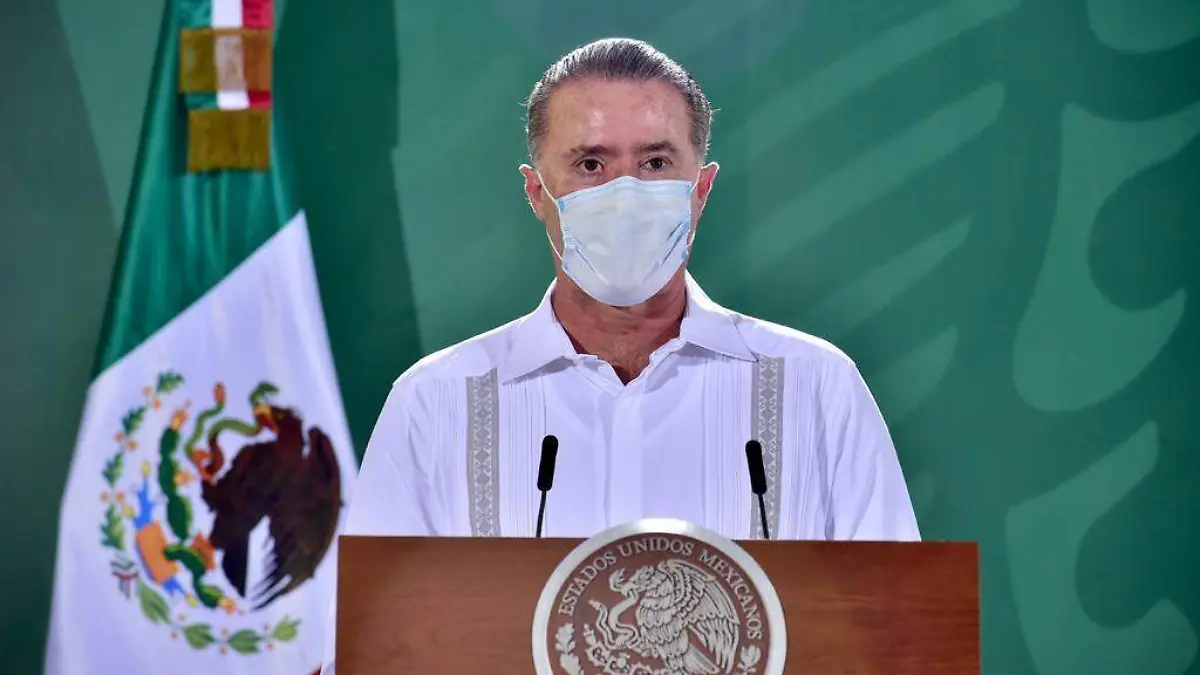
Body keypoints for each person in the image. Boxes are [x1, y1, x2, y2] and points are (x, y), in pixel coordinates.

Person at [319, 37, 919, 674]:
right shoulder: (438, 404)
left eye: (656, 162)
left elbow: (899, 638)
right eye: (590, 164)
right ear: (536, 192)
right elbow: (375, 652)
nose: (625, 192)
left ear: (701, 188)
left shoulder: (816, 388)